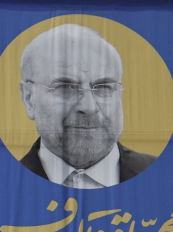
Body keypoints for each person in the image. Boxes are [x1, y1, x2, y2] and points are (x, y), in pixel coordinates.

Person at [18, 24, 155, 188]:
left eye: (104, 87)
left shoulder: (165, 175)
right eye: (65, 87)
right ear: (29, 98)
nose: (89, 107)